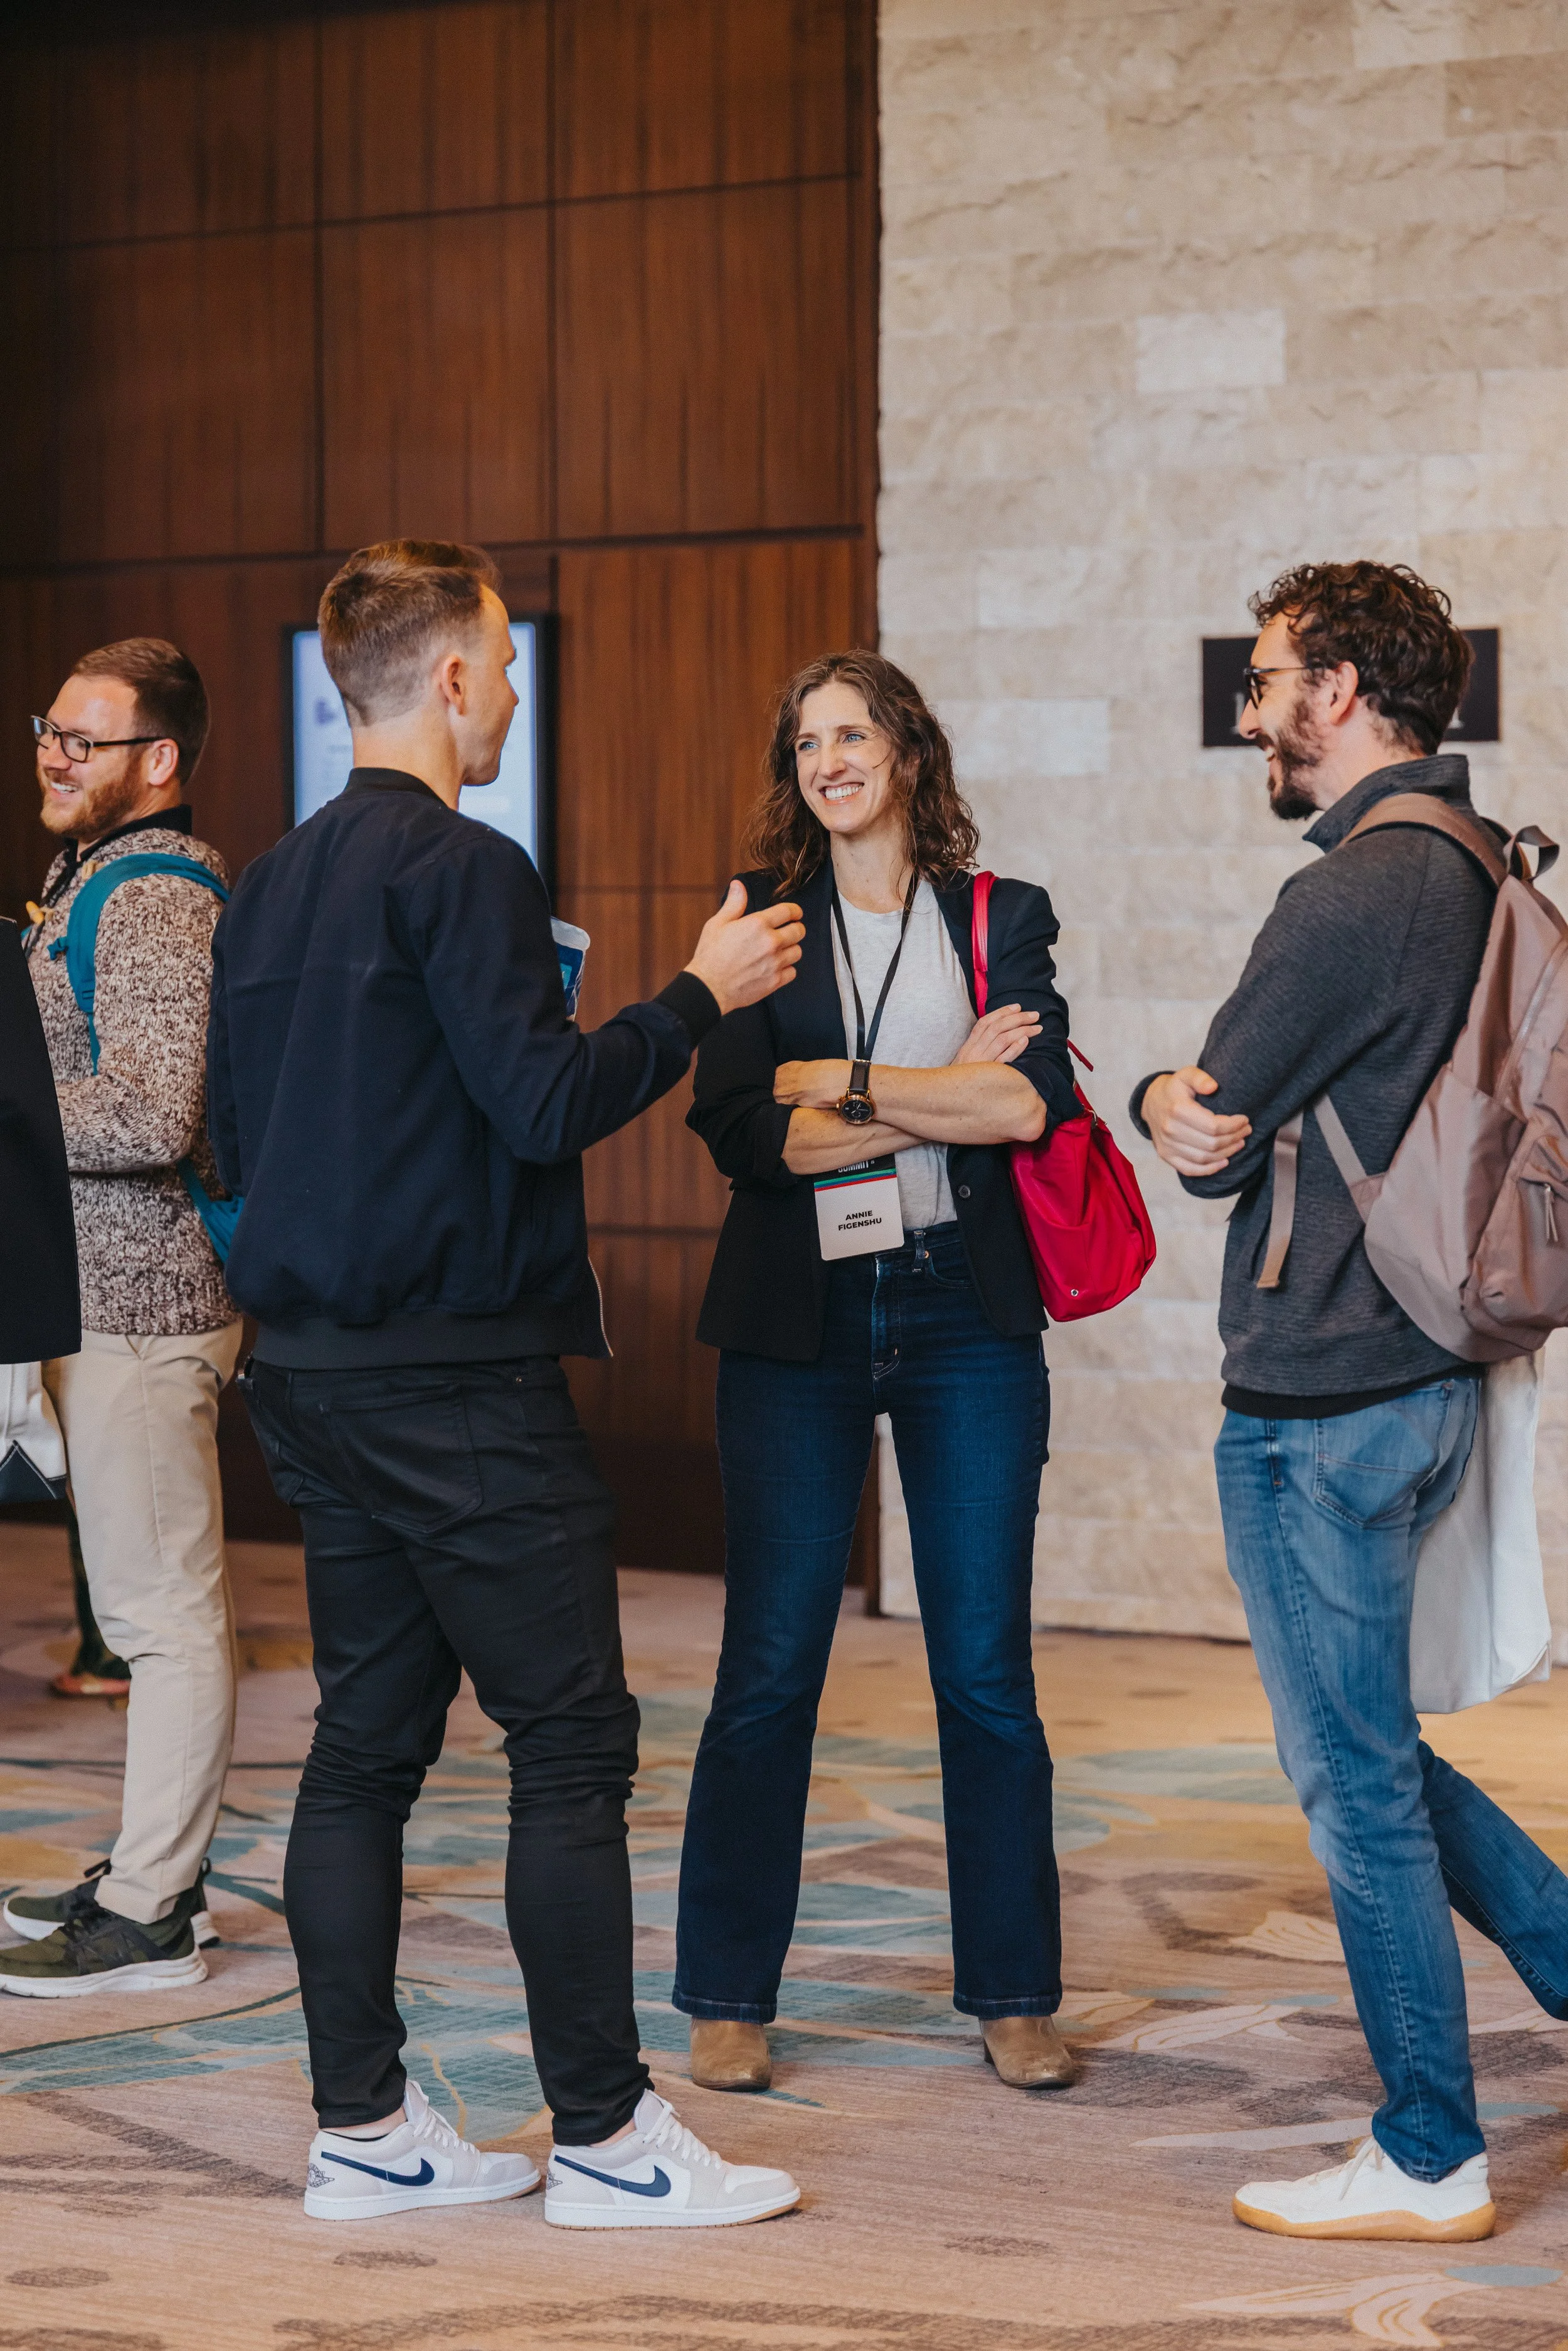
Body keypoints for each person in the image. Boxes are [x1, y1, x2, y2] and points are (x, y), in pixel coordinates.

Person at [211, 538, 805, 2227]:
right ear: (455, 677)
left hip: (309, 1378)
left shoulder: (269, 885)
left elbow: (233, 1150)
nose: (515, 689)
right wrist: (698, 993)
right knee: (569, 1744)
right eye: (503, 659)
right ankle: (610, 2141)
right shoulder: (464, 867)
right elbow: (544, 1108)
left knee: (361, 1749)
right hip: (457, 1382)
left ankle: (365, 2128)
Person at [1135, 560, 1568, 2242]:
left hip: (1322, 1388)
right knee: (1369, 1747)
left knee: (1349, 1779)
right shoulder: (1473, 862)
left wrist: (1163, 1086)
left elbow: (1210, 1120)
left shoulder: (1347, 891)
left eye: (1263, 680)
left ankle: (1426, 2144)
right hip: (1422, 1372)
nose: (1249, 710)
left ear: (1334, 694)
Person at [672, 650, 1084, 2096]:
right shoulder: (760, 933)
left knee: (982, 1667)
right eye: (804, 741)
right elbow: (737, 1132)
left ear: (905, 749)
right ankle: (728, 1990)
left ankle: (1013, 1989)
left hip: (964, 1315)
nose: (828, 758)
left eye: (852, 732)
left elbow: (1026, 1101)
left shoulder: (995, 916)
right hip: (799, 1324)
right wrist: (926, 1100)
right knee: (768, 1666)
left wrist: (830, 1089)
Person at [1, 639, 241, 1995]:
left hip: (145, 1303)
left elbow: (155, 1112)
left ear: (157, 761)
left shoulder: (149, 892)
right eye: (48, 728)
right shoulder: (88, 878)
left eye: (84, 740)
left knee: (161, 1613)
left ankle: (153, 1911)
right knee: (154, 1603)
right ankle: (156, 1868)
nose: (53, 753)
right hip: (110, 1292)